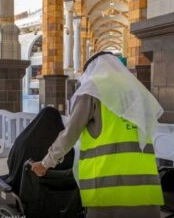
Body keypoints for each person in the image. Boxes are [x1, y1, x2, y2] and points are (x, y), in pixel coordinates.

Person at [31, 52, 164, 218]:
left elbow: (70, 134)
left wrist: (45, 163)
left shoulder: (92, 91)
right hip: (146, 189)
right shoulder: (138, 93)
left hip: (107, 190)